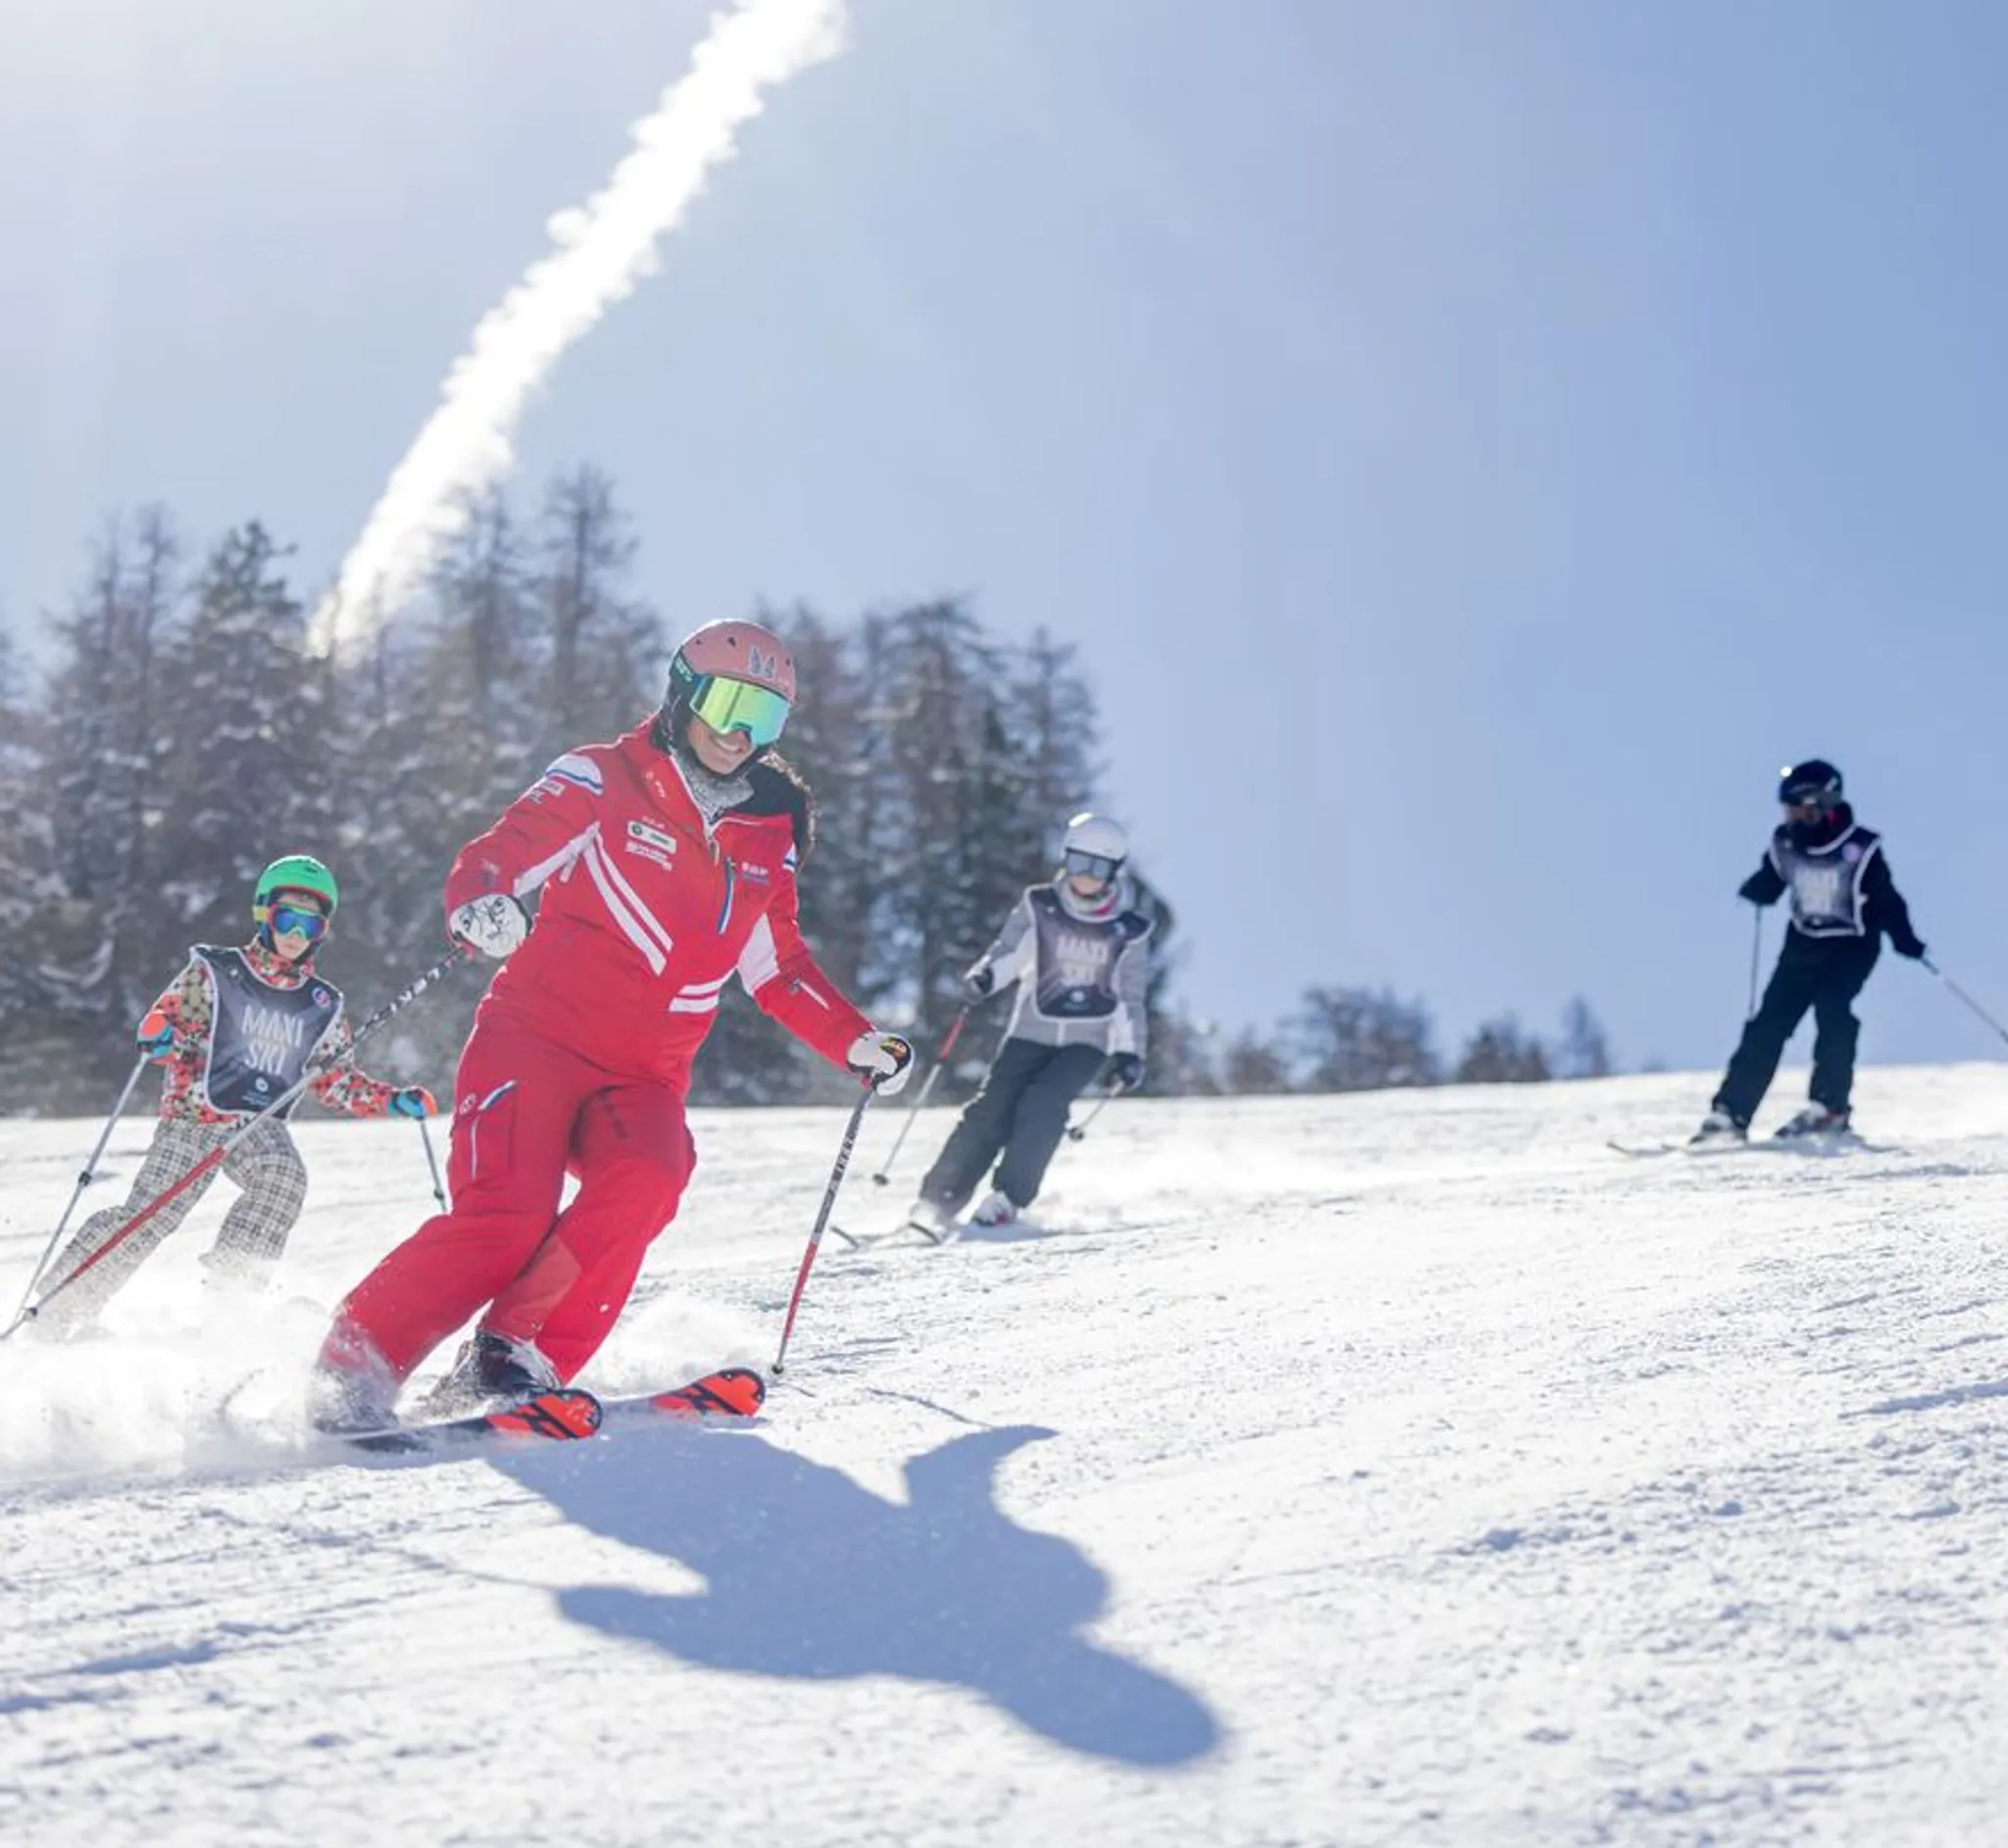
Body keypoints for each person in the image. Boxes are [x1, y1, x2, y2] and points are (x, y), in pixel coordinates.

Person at [307, 620, 914, 1429]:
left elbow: (780, 967)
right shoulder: (603, 777)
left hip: (644, 1072)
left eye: (764, 720)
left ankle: (513, 1351)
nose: (740, 733)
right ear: (684, 692)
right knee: (506, 1216)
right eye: (730, 703)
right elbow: (504, 849)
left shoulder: (769, 839)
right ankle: (356, 1363)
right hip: (536, 1039)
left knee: (652, 1171)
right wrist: (482, 899)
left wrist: (855, 1039)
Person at [31, 856, 433, 1335]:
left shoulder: (321, 1003)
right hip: (196, 1114)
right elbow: (167, 1019)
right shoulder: (217, 972)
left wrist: (392, 1101)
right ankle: (63, 1302)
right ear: (264, 914)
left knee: (283, 1178)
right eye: (287, 919)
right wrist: (158, 1032)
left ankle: (230, 1300)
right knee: (153, 1214)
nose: (296, 934)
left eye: (311, 924)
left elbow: (334, 1079)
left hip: (257, 1123)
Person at [906, 812, 1155, 1236]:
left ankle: (1008, 1197)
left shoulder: (1127, 930)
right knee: (990, 1110)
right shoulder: (1042, 906)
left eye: (1097, 868)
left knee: (1044, 1106)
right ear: (1066, 859)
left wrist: (1130, 1052)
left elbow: (1129, 997)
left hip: (1086, 1040)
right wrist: (987, 977)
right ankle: (939, 1200)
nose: (1085, 877)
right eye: (1078, 863)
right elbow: (1009, 951)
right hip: (1030, 1030)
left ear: (1114, 872)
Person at [1693, 759, 1926, 1145]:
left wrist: (1905, 938)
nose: (1793, 817)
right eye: (1789, 809)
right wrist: (1758, 890)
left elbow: (1887, 900)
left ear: (1824, 804)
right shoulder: (1784, 842)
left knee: (1834, 1012)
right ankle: (1729, 1115)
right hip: (1802, 945)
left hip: (1851, 946)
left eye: (1800, 808)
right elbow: (1773, 878)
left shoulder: (1859, 847)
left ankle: (1828, 1110)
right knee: (1768, 1025)